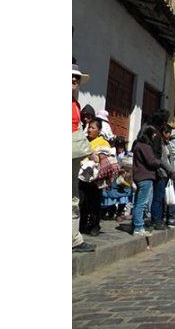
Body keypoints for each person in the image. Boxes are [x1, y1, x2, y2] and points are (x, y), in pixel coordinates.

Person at [73, 61, 96, 252]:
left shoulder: (75, 104)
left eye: (76, 77)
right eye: (70, 76)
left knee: (73, 199)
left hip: (74, 156)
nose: (74, 79)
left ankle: (74, 239)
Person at [77, 119, 114, 236]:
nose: (89, 130)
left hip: (95, 177)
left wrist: (93, 155)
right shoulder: (83, 140)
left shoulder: (103, 143)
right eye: (89, 127)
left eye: (93, 128)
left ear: (99, 130)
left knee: (94, 202)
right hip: (81, 176)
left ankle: (94, 225)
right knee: (81, 202)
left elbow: (102, 159)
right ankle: (81, 225)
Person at [131, 125, 163, 236]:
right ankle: (138, 227)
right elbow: (151, 161)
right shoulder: (145, 146)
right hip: (145, 176)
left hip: (138, 176)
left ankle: (135, 225)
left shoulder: (137, 145)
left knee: (137, 203)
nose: (155, 136)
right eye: (153, 134)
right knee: (142, 203)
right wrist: (159, 162)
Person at [149, 124, 174, 230]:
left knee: (162, 198)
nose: (169, 135)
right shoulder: (159, 143)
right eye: (168, 133)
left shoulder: (167, 144)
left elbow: (170, 158)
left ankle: (160, 219)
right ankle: (156, 220)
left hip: (167, 173)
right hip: (161, 172)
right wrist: (170, 170)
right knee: (158, 198)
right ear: (164, 133)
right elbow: (163, 159)